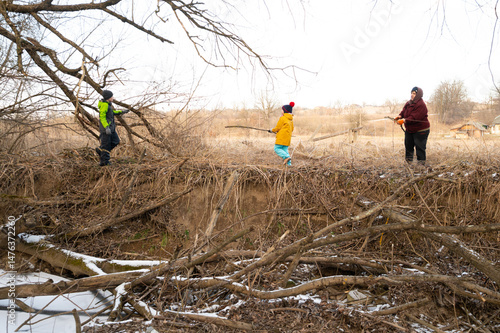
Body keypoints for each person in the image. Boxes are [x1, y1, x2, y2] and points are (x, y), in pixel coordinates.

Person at [394, 86, 430, 166]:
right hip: (410, 130)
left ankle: (421, 167)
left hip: (421, 130)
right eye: (411, 93)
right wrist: (399, 116)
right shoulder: (409, 103)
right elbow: (404, 112)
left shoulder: (421, 105)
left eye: (414, 93)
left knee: (420, 149)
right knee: (408, 147)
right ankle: (408, 165)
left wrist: (404, 120)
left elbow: (415, 117)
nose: (412, 95)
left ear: (418, 95)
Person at [95, 90, 129, 166]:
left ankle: (101, 150)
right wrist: (106, 127)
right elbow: (102, 117)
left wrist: (122, 111)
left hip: (111, 129)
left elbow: (112, 113)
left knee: (116, 141)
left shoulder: (108, 105)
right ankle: (104, 162)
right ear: (108, 98)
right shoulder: (104, 105)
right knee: (106, 145)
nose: (113, 98)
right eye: (112, 96)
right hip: (106, 129)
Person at [269, 102, 295, 166]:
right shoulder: (291, 119)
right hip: (288, 138)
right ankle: (289, 164)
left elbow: (278, 127)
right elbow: (292, 129)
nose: (281, 111)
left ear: (285, 111)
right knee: (285, 149)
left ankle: (286, 157)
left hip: (282, 137)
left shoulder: (282, 118)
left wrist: (271, 130)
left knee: (277, 148)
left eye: (282, 110)